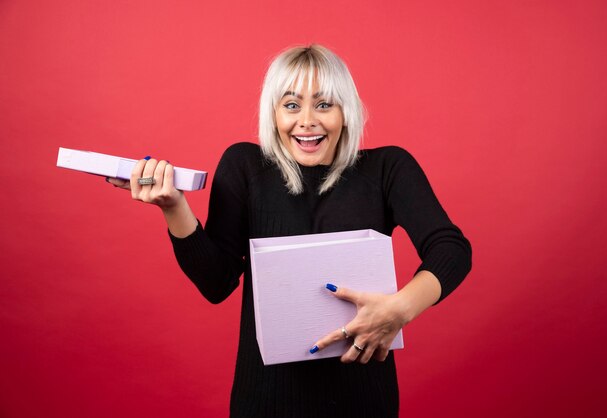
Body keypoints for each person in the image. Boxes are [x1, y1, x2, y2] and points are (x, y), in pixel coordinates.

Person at [107, 44, 471, 418]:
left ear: (346, 112)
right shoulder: (244, 167)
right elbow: (216, 283)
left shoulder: (388, 169)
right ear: (274, 113)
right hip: (264, 403)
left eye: (325, 104)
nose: (307, 120)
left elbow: (451, 248)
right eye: (292, 105)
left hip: (364, 402)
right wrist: (174, 207)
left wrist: (400, 309)